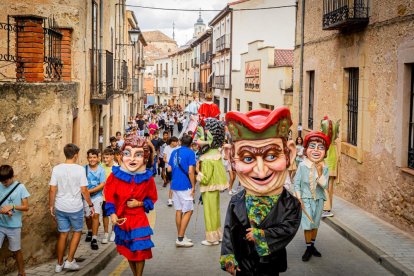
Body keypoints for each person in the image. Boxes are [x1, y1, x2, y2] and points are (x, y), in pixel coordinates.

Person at [221, 108, 301, 276]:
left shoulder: (290, 204)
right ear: (231, 158)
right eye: (247, 158)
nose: (261, 171)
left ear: (290, 155)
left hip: (270, 264)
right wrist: (228, 257)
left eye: (271, 156)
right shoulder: (237, 200)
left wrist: (262, 235)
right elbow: (229, 230)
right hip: (244, 263)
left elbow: (288, 229)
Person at [104, 135, 157, 276]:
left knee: (139, 250)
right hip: (123, 219)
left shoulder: (148, 179)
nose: (132, 159)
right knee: (130, 251)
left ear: (144, 157)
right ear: (122, 155)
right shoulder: (115, 176)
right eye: (128, 153)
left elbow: (152, 199)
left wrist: (139, 203)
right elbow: (109, 196)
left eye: (138, 154)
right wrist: (113, 214)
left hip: (139, 219)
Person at [49, 143, 94, 272]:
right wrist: (90, 205)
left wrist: (51, 205)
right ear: (76, 155)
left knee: (63, 234)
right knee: (77, 231)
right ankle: (69, 261)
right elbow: (84, 190)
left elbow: (52, 189)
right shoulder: (80, 169)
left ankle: (59, 264)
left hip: (60, 206)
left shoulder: (57, 169)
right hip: (75, 207)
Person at [294, 131, 330, 262]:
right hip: (306, 200)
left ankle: (312, 246)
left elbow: (325, 186)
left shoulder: (325, 167)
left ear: (325, 151)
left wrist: (320, 172)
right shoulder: (303, 165)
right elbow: (296, 184)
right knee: (307, 224)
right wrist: (298, 198)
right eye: (312, 146)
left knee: (315, 224)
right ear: (306, 149)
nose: (316, 150)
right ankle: (308, 248)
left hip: (319, 199)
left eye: (320, 147)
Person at [195, 118, 228, 246]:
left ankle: (211, 238)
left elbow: (205, 177)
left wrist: (198, 172)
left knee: (209, 212)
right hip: (214, 188)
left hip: (208, 187)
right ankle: (218, 235)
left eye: (200, 136)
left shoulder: (207, 158)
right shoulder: (215, 154)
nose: (198, 141)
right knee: (216, 211)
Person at [0, 165, 30, 276]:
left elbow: (26, 207)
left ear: (12, 176)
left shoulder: (21, 187)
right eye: (2, 182)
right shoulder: (0, 185)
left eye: (6, 181)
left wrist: (12, 206)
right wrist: (2, 211)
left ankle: (22, 273)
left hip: (14, 226)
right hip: (0, 224)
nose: (4, 184)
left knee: (16, 250)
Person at [168, 134, 196, 247]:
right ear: (190, 144)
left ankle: (181, 235)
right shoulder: (190, 153)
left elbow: (169, 168)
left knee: (179, 210)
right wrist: (193, 186)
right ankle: (180, 239)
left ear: (181, 142)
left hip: (175, 184)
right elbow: (190, 171)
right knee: (189, 211)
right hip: (185, 185)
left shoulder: (175, 152)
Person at [84, 149, 106, 250]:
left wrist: (91, 190)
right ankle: (89, 230)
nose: (92, 159)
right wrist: (86, 192)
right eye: (90, 157)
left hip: (97, 196)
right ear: (87, 158)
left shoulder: (101, 170)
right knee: (88, 216)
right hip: (86, 197)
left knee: (95, 215)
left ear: (98, 158)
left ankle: (94, 238)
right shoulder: (84, 169)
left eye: (94, 157)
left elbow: (102, 184)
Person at [320, 116, 340, 218]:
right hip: (332, 166)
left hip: (326, 166)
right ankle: (328, 207)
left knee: (324, 187)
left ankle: (326, 208)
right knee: (330, 187)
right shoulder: (334, 144)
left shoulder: (325, 144)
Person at [101, 148, 118, 243]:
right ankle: (106, 233)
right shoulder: (101, 166)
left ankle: (113, 232)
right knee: (105, 215)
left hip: (114, 197)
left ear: (112, 156)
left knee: (114, 214)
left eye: (107, 157)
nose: (105, 159)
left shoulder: (117, 168)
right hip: (104, 196)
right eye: (104, 157)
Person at [163, 136, 179, 206]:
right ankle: (170, 199)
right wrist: (170, 163)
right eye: (176, 142)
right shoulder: (166, 148)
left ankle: (173, 198)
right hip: (169, 168)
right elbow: (164, 158)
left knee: (174, 183)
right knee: (172, 184)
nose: (177, 143)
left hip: (176, 168)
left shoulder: (178, 148)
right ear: (172, 142)